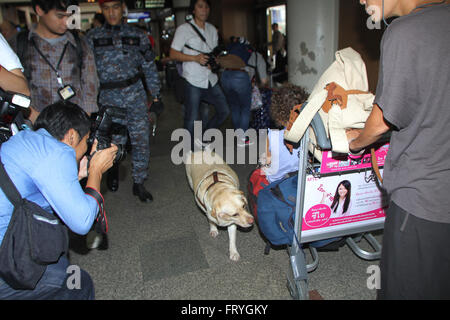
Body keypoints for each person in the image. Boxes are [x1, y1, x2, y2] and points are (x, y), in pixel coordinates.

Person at [350, 0, 450, 299]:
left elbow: (381, 122)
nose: (362, 1)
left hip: (423, 198)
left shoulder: (405, 32)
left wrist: (355, 142)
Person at [0, 101, 118, 300]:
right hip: (6, 260)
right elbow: (82, 222)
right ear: (72, 135)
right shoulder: (58, 152)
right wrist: (96, 171)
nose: (85, 150)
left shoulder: (26, 138)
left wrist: (80, 176)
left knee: (59, 264)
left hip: (12, 239)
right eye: (86, 141)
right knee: (78, 284)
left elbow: (34, 193)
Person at [87, 0, 162, 203]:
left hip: (135, 94)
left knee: (140, 140)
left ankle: (139, 181)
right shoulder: (92, 38)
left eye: (116, 7)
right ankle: (112, 171)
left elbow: (149, 67)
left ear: (123, 9)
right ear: (101, 10)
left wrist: (156, 95)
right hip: (109, 98)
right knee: (113, 141)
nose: (112, 12)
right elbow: (86, 73)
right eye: (107, 8)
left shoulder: (138, 36)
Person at [10, 0, 100, 123]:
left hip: (73, 127)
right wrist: (32, 116)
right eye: (60, 16)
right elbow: (10, 89)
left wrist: (82, 123)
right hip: (32, 127)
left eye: (69, 16)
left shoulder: (80, 44)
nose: (66, 22)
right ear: (39, 10)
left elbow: (90, 87)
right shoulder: (18, 44)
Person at [170, 0, 230, 151]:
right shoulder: (184, 29)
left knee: (224, 110)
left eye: (207, 7)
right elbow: (173, 54)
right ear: (194, 10)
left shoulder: (212, 29)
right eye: (200, 6)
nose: (204, 10)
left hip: (210, 78)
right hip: (193, 79)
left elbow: (214, 52)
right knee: (191, 117)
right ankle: (189, 151)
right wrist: (195, 58)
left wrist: (214, 61)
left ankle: (204, 138)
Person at [260, 84, 308, 182]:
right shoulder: (309, 134)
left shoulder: (272, 136)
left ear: (277, 113)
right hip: (301, 179)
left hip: (276, 181)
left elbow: (267, 162)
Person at [220, 37, 254, 146]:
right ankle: (242, 138)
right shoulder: (246, 49)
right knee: (245, 108)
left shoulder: (231, 47)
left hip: (225, 75)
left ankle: (238, 134)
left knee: (234, 107)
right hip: (240, 76)